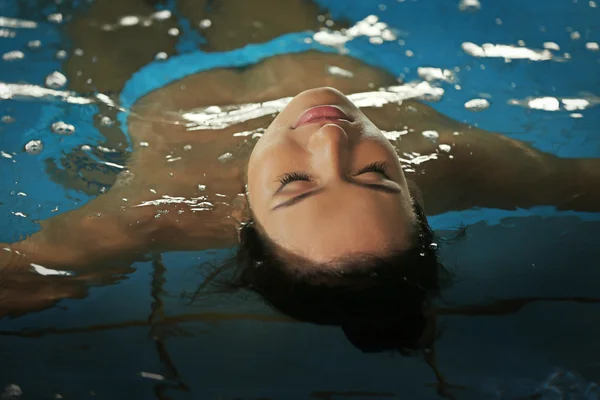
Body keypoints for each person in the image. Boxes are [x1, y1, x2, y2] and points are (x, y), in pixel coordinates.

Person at [1, 0, 599, 353]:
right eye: (373, 174)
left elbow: (18, 272)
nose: (330, 137)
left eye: (294, 185)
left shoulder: (153, 212)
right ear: (415, 190)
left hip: (140, 77)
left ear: (243, 216)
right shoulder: (463, 160)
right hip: (296, 39)